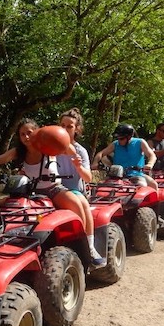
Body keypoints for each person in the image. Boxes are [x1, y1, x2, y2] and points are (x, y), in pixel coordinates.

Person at [0, 118, 106, 268]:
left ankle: (88, 248)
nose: (26, 137)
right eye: (22, 134)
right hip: (30, 192)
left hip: (53, 189)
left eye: (29, 133)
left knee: (77, 205)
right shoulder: (19, 151)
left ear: (37, 133)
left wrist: (73, 156)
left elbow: (66, 148)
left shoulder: (47, 147)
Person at [55, 108, 101, 266]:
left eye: (69, 126)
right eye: (62, 125)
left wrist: (79, 166)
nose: (65, 129)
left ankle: (89, 246)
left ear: (77, 129)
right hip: (53, 188)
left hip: (74, 190)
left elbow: (88, 177)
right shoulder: (51, 147)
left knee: (83, 204)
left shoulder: (80, 151)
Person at [91, 123, 158, 189]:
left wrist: (150, 164)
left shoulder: (140, 142)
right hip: (116, 176)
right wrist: (95, 162)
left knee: (152, 185)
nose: (119, 141)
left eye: (121, 139)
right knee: (100, 188)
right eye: (118, 138)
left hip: (136, 175)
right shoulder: (115, 144)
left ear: (129, 137)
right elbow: (101, 153)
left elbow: (152, 155)